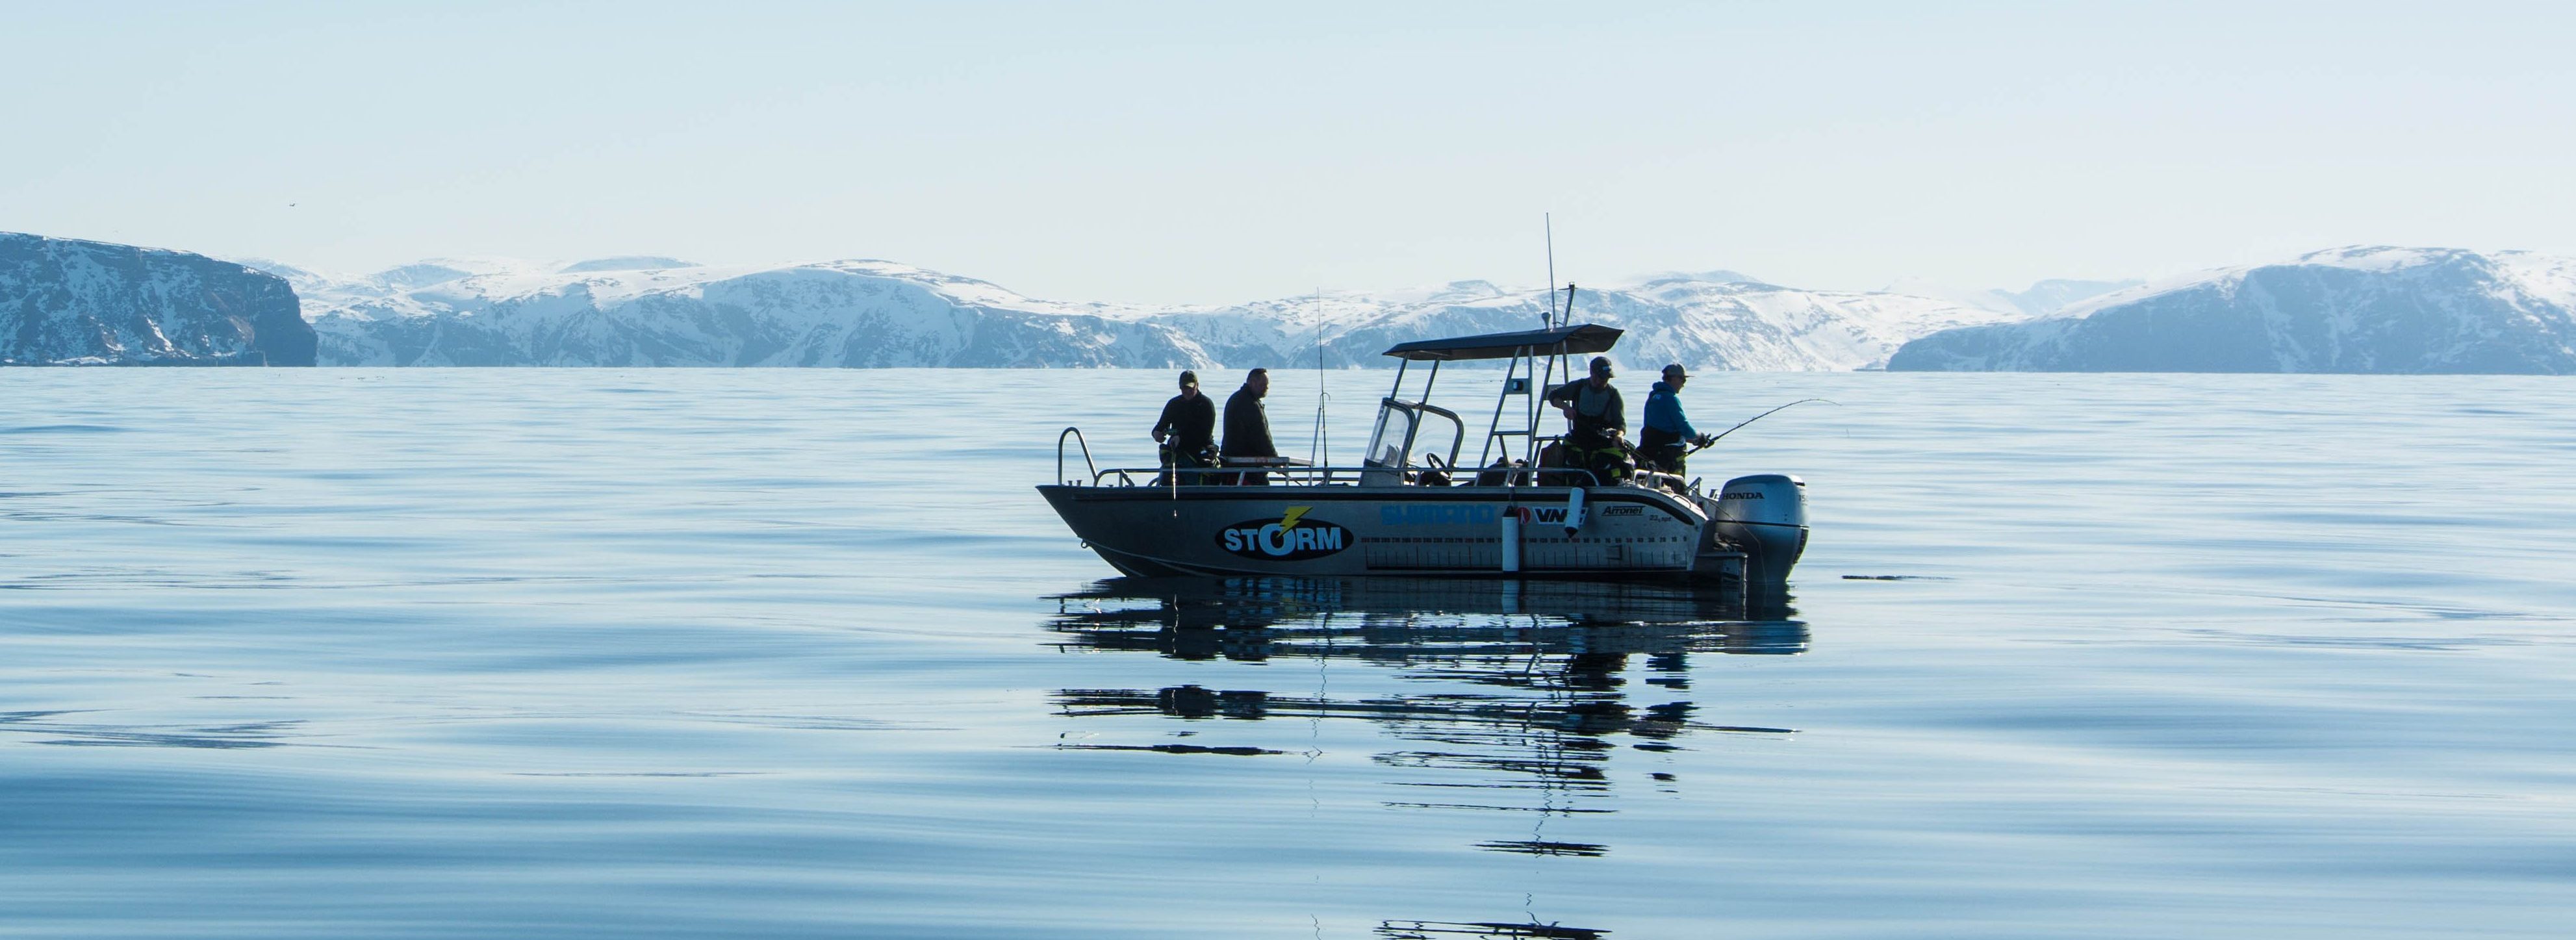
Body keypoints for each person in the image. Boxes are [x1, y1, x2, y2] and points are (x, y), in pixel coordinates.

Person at [1545, 356, 1631, 485]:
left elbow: (1621, 425)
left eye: (1606, 378)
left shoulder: (1613, 395)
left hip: (1602, 444)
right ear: (1592, 373)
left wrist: (1619, 436)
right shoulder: (1579, 387)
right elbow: (1553, 396)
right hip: (1579, 440)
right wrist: (1566, 408)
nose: (1602, 381)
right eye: (1600, 377)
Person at [1640, 363, 1717, 476]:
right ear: (1674, 378)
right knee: (1674, 485)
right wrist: (1700, 437)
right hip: (1667, 456)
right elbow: (1683, 426)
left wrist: (1694, 440)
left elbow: (1664, 429)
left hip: (1650, 450)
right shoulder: (1670, 398)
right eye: (1683, 380)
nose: (1683, 384)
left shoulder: (1654, 396)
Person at [1151, 370, 1216, 484]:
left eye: (1190, 388)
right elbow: (1161, 425)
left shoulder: (1206, 404)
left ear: (1197, 385)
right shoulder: (1174, 404)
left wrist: (1181, 438)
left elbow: (1205, 434)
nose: (1187, 391)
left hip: (1199, 452)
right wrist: (1157, 433)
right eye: (1184, 388)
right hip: (1176, 454)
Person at [1220, 368, 1277, 485]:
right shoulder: (1250, 405)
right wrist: (1275, 459)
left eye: (1267, 385)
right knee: (1264, 489)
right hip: (1247, 464)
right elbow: (1261, 436)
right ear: (1253, 383)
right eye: (1263, 385)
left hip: (1231, 461)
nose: (1267, 388)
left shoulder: (1236, 398)